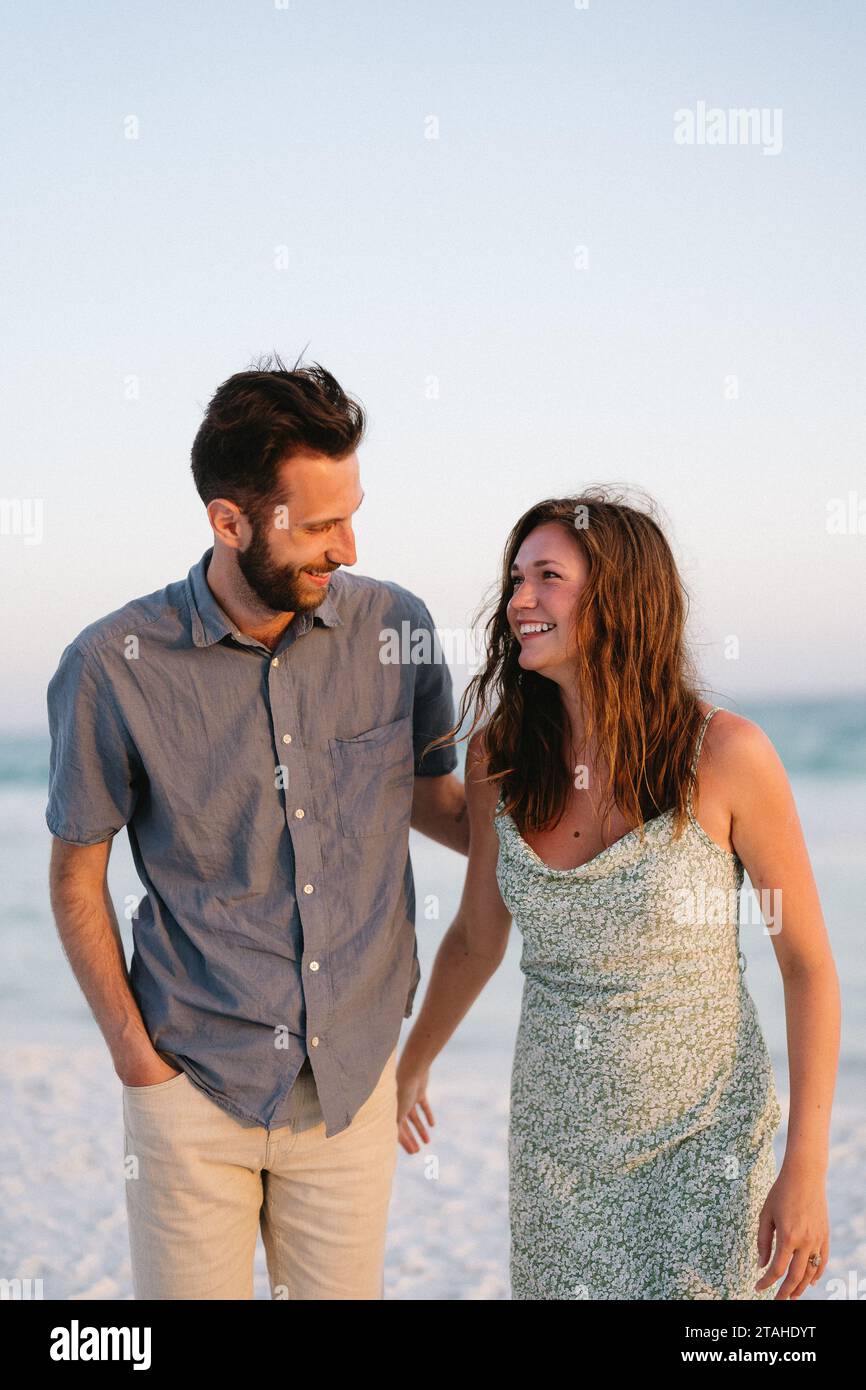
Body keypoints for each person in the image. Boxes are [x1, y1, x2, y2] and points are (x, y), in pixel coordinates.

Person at [45, 354, 469, 1300]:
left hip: (350, 1096)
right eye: (319, 525)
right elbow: (76, 874)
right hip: (190, 1086)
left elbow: (436, 802)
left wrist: (597, 834)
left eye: (353, 513)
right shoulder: (110, 667)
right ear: (229, 522)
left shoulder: (398, 629)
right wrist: (132, 1057)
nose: (349, 547)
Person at [396, 489, 839, 1301]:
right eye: (516, 578)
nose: (519, 601)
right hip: (556, 1151)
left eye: (548, 578)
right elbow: (474, 937)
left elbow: (807, 964)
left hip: (706, 1144)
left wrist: (805, 1166)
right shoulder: (502, 756)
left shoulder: (726, 755)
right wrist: (410, 1064)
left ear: (618, 599)